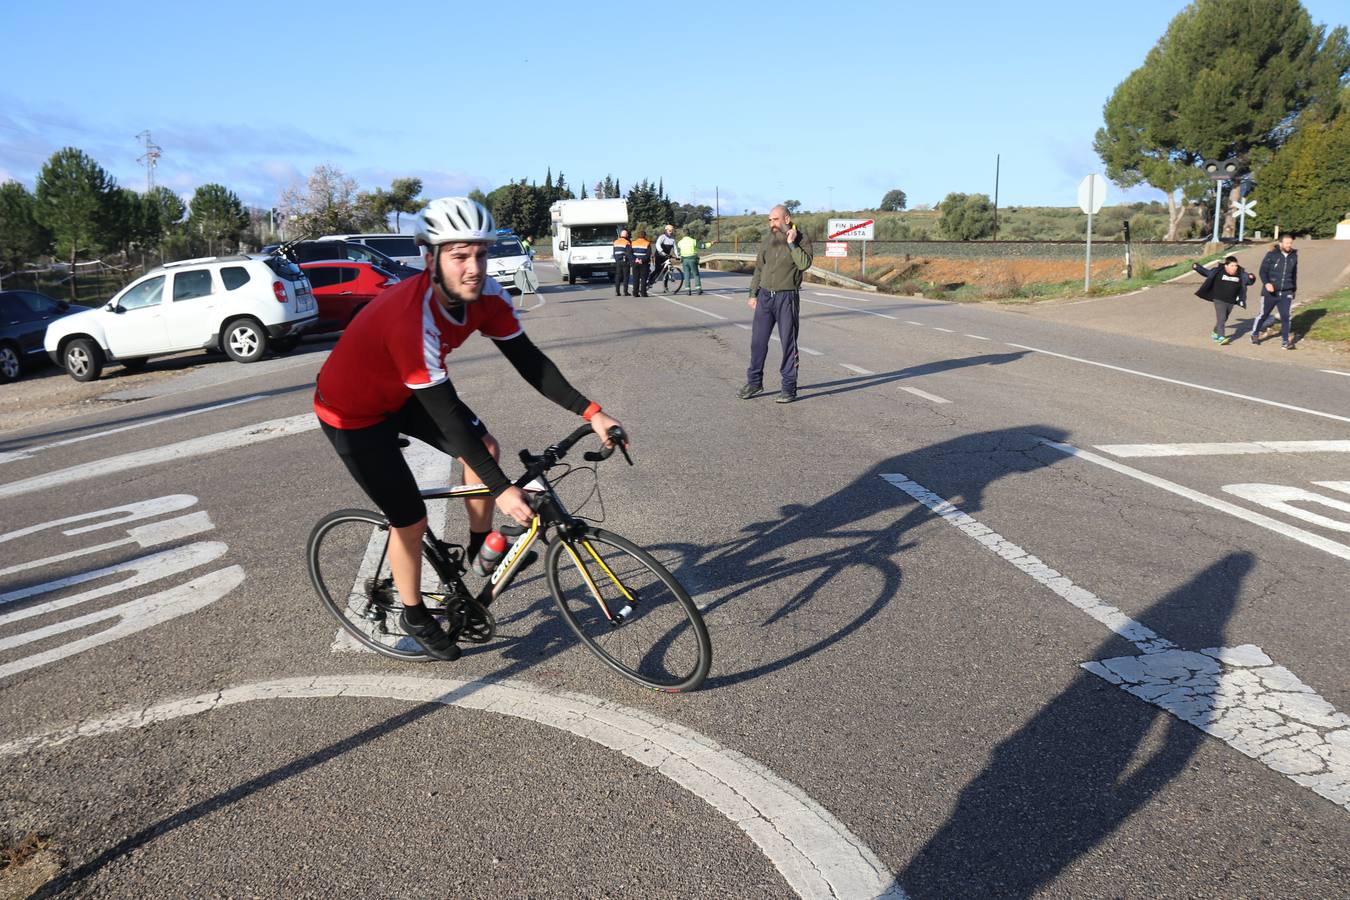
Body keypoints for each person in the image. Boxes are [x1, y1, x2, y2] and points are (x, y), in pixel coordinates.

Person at [313, 197, 626, 660]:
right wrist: (502, 491)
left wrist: (592, 411)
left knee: (485, 446)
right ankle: (415, 614)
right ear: (430, 259)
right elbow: (445, 416)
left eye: (480, 253)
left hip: (403, 395)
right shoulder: (410, 317)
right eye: (459, 255)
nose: (474, 266)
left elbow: (530, 362)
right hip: (352, 414)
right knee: (410, 520)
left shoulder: (489, 296)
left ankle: (481, 546)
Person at [739, 205, 812, 403]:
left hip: (787, 297)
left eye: (776, 219)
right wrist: (753, 293)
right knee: (757, 342)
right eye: (770, 220)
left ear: (787, 219)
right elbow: (759, 268)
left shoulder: (801, 238)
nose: (772, 224)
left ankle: (789, 387)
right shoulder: (767, 239)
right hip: (765, 297)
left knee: (788, 343)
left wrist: (792, 245)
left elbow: (804, 264)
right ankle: (754, 383)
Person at [1192, 255, 1255, 345]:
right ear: (1226, 266)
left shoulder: (1241, 274)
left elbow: (1249, 281)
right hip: (1219, 299)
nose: (1234, 268)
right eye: (1232, 266)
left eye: (1236, 266)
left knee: (1224, 318)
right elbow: (1206, 273)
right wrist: (1197, 267)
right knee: (1221, 318)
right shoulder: (1218, 271)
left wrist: (1252, 278)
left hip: (1231, 300)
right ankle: (1221, 337)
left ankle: (1215, 331)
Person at [1252, 234, 1298, 349]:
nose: (1289, 245)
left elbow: (1294, 275)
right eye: (1287, 243)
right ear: (1280, 243)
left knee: (1286, 316)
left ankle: (1285, 341)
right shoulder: (1271, 255)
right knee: (1264, 314)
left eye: (1290, 243)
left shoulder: (1294, 256)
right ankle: (1255, 334)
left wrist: (1293, 290)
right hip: (1270, 292)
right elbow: (1262, 271)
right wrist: (1267, 283)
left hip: (1286, 292)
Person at [652, 224, 677, 290]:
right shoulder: (662, 237)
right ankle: (649, 280)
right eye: (669, 231)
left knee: (667, 271)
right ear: (666, 231)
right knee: (657, 270)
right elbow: (657, 245)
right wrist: (661, 251)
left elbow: (675, 249)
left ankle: (665, 287)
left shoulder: (672, 240)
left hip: (666, 256)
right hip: (659, 255)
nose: (671, 232)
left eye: (672, 231)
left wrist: (678, 256)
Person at [630, 228, 653, 297]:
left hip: (635, 263)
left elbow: (630, 253)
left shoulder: (633, 243)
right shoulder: (647, 243)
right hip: (644, 263)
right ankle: (643, 293)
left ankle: (635, 293)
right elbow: (648, 254)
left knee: (635, 278)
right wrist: (642, 260)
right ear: (644, 236)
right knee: (643, 278)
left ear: (638, 236)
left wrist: (635, 259)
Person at [612, 229, 632, 296]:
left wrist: (617, 259)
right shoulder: (627, 242)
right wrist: (631, 262)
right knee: (626, 276)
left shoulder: (615, 242)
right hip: (625, 261)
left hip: (618, 261)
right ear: (626, 235)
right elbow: (629, 253)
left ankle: (617, 291)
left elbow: (614, 253)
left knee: (618, 276)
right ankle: (625, 292)